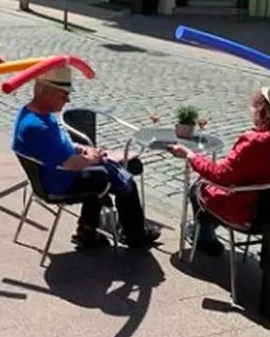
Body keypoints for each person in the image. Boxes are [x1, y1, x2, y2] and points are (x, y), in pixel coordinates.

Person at [12, 67, 160, 249]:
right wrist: (96, 159)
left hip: (52, 176)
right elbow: (72, 164)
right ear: (47, 92)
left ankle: (87, 230)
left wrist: (83, 149)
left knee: (121, 167)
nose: (68, 99)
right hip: (61, 182)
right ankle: (135, 235)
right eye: (64, 95)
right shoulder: (37, 127)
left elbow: (60, 145)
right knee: (123, 177)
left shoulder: (32, 114)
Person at [168, 80, 270, 257]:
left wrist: (190, 155)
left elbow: (220, 175)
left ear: (266, 110)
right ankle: (203, 231)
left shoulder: (256, 142)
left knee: (197, 188)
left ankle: (204, 238)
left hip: (248, 212)